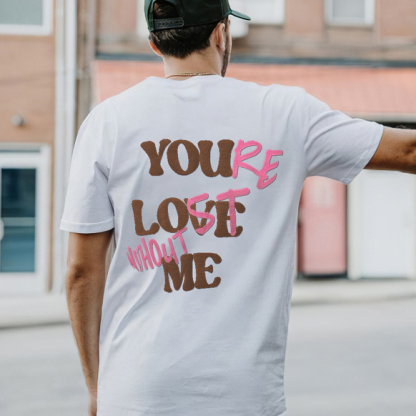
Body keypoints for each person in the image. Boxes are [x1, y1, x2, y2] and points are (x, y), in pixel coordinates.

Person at [59, 1, 416, 415]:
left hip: (135, 395)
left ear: (155, 43)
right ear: (221, 34)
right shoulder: (285, 113)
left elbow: (82, 271)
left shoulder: (107, 122)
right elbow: (408, 150)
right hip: (244, 397)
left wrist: (96, 387)